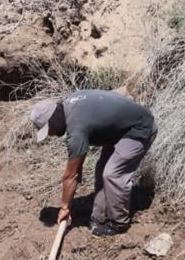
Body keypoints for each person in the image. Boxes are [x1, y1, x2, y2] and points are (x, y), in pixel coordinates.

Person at [29, 90, 156, 237]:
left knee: (112, 173)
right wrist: (76, 173)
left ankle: (118, 223)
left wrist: (64, 207)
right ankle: (99, 218)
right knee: (101, 170)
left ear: (53, 119)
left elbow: (71, 176)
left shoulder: (76, 128)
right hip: (119, 130)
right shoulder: (70, 104)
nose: (50, 135)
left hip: (140, 127)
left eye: (48, 130)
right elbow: (76, 165)